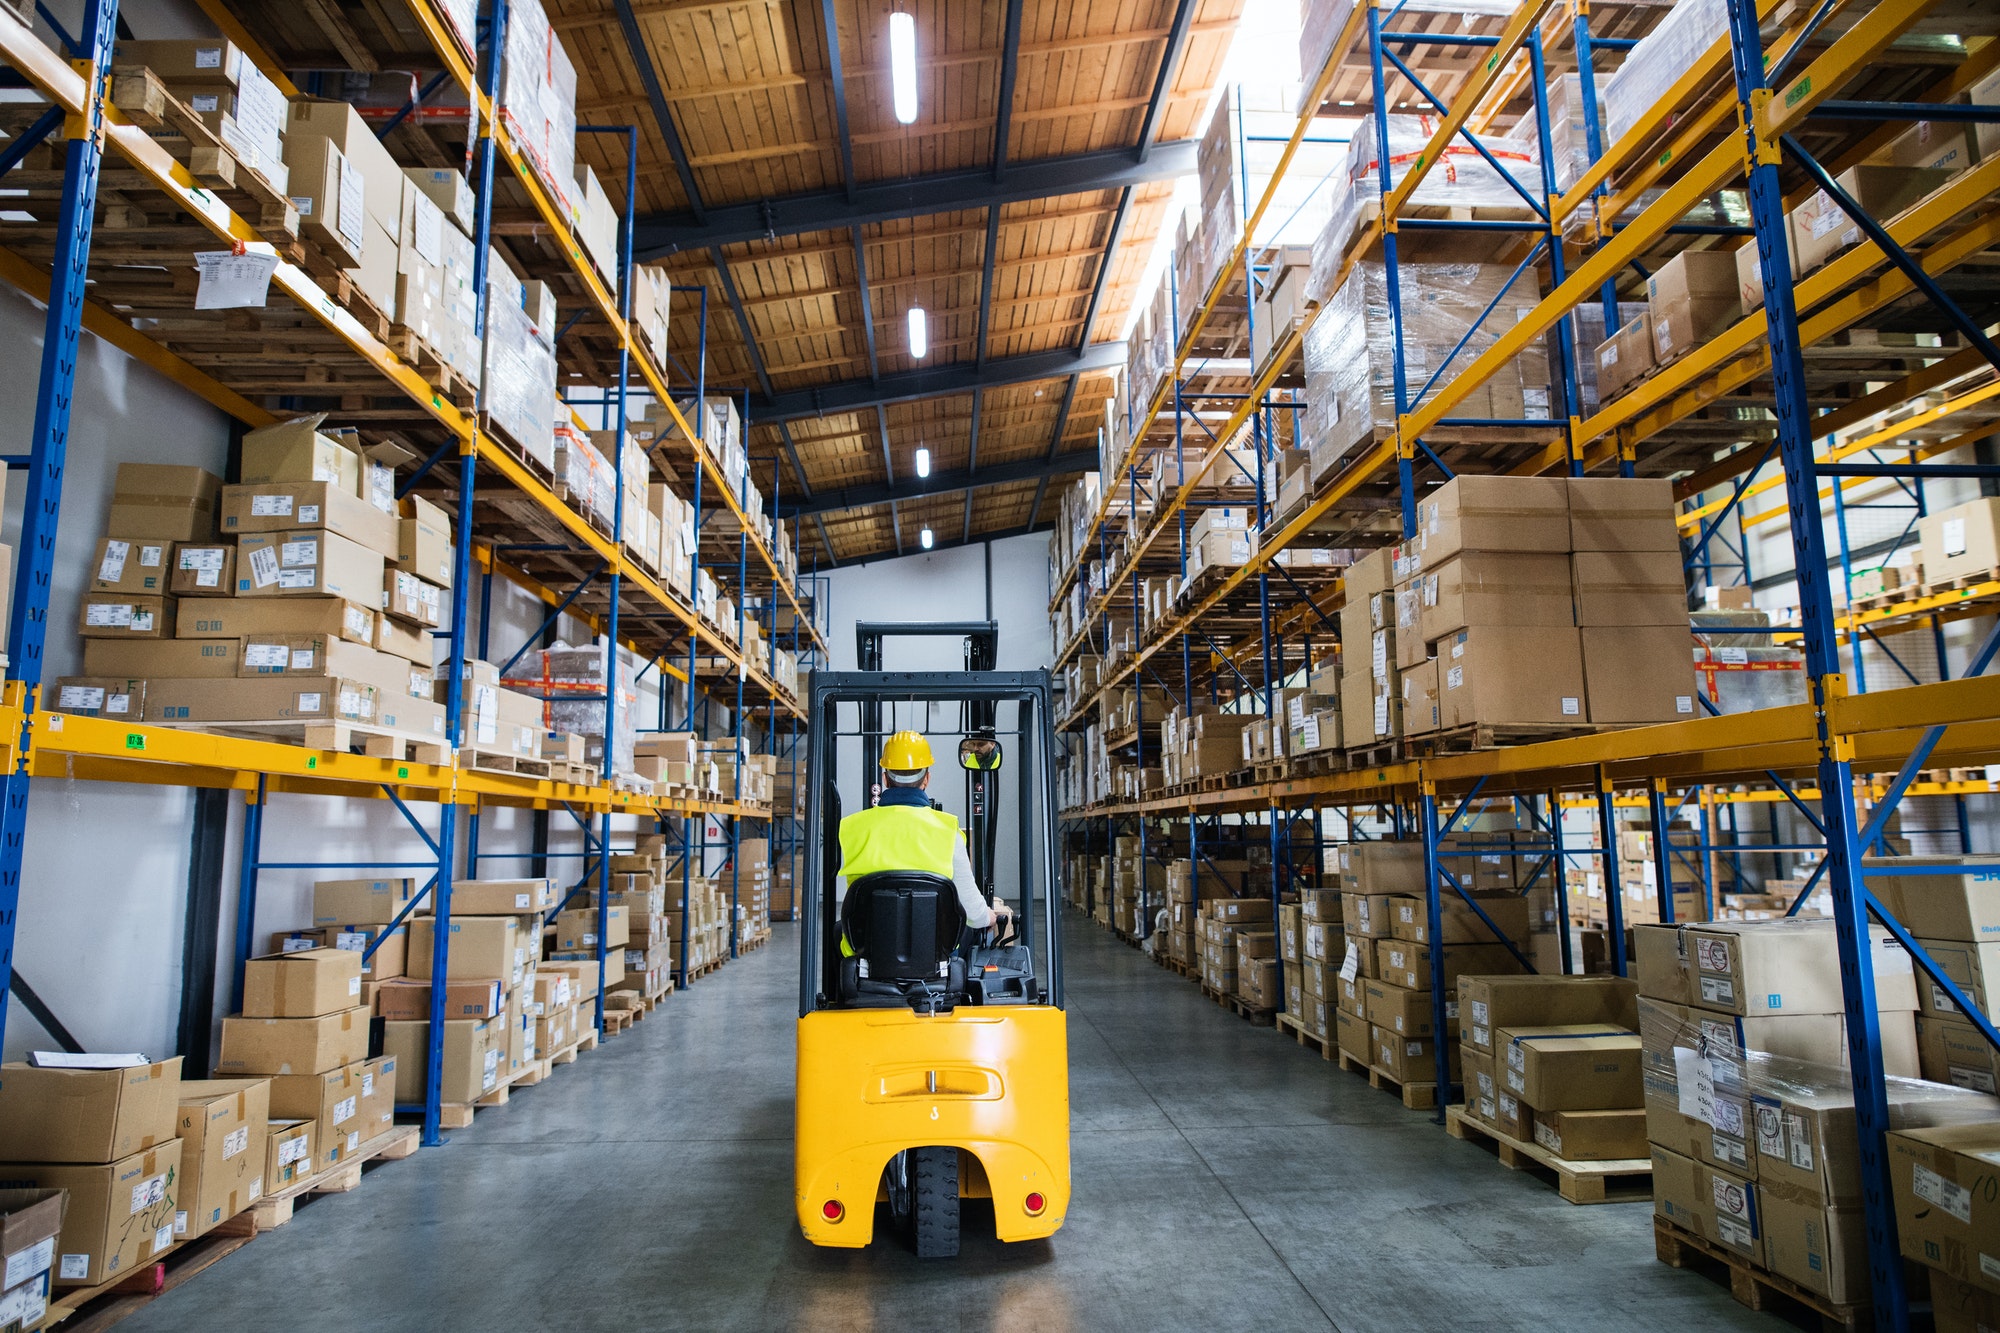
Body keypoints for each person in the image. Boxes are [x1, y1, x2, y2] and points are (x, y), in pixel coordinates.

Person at [836, 730, 1012, 943]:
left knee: (839, 932)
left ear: (885, 778)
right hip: (935, 955)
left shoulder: (851, 827)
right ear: (926, 779)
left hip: (867, 954)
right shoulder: (948, 830)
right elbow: (973, 913)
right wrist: (988, 916)